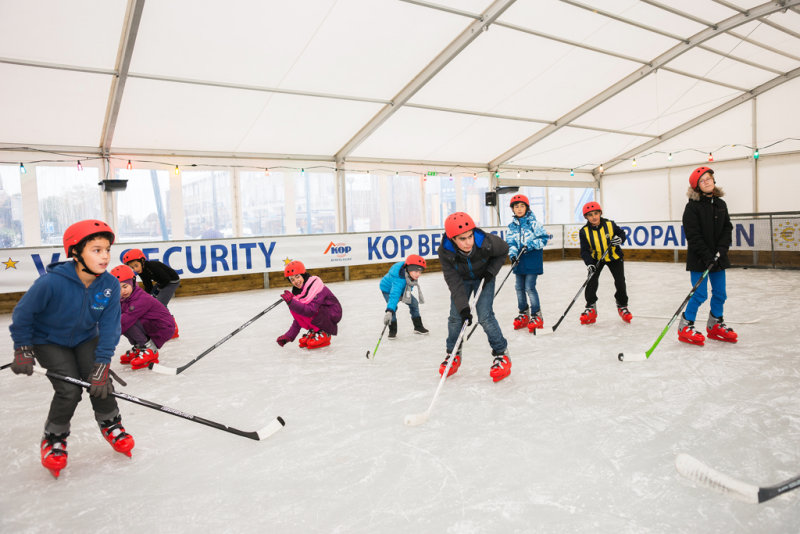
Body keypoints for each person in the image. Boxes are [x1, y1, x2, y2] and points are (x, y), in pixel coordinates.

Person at [8, 220, 134, 478]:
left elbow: (110, 328)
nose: (105, 256)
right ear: (76, 252)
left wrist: (102, 364)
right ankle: (54, 437)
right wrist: (23, 348)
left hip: (86, 338)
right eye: (96, 250)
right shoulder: (51, 283)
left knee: (101, 382)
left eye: (107, 249)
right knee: (69, 390)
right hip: (48, 340)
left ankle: (111, 423)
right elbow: (23, 314)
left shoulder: (109, 285)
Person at [437, 212, 511, 383]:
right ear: (453, 239)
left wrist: (490, 272)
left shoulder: (486, 242)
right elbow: (453, 281)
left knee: (485, 316)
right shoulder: (445, 251)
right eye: (462, 239)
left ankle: (502, 354)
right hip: (462, 280)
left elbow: (504, 250)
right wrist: (463, 308)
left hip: (484, 278)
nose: (468, 242)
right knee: (456, 318)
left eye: (470, 236)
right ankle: (453, 354)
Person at [678, 166, 737, 346]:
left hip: (718, 257)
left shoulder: (721, 204)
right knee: (700, 294)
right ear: (697, 186)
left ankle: (715, 323)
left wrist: (721, 249)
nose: (707, 182)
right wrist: (707, 256)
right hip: (699, 259)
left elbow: (727, 228)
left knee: (720, 293)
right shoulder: (692, 207)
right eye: (702, 181)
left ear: (713, 180)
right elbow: (693, 236)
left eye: (709, 178)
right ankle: (685, 325)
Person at [111, 265, 175, 369]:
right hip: (150, 325)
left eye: (125, 286)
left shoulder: (140, 298)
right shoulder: (124, 298)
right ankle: (140, 347)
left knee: (126, 322)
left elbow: (124, 322)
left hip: (163, 328)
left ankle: (150, 349)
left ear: (132, 282)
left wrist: (105, 338)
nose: (122, 291)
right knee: (121, 320)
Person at [579, 201, 632, 324]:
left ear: (600, 213)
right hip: (597, 258)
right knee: (591, 281)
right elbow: (585, 251)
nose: (594, 217)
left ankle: (622, 305)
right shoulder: (584, 231)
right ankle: (590, 306)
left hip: (614, 257)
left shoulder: (610, 224)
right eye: (590, 215)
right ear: (586, 217)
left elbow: (621, 233)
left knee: (620, 281)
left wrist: (620, 239)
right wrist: (589, 263)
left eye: (596, 213)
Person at [504, 194, 550, 332]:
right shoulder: (512, 226)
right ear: (512, 209)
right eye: (516, 206)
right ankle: (523, 313)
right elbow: (510, 242)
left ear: (527, 207)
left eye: (522, 206)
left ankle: (537, 314)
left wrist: (529, 245)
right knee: (519, 287)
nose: (519, 209)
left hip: (532, 259)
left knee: (529, 287)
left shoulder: (534, 223)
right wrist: (512, 255)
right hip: (519, 261)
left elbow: (543, 239)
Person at [275, 261, 342, 350]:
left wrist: (292, 302)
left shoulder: (315, 286)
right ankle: (315, 330)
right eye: (292, 279)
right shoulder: (299, 293)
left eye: (297, 277)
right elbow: (298, 317)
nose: (296, 281)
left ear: (303, 275)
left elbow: (311, 311)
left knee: (296, 305)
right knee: (294, 308)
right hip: (320, 315)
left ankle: (325, 333)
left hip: (331, 313)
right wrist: (289, 336)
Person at [123, 248, 180, 337]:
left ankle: (172, 328)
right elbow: (148, 285)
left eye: (136, 265)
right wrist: (146, 297)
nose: (135, 269)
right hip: (162, 282)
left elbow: (166, 279)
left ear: (142, 261)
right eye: (132, 267)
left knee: (160, 304)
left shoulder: (153, 266)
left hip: (171, 282)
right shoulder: (142, 271)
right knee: (151, 301)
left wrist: (158, 290)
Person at [379, 254, 429, 339]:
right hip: (387, 290)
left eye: (420, 272)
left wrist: (404, 296)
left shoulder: (410, 274)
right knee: (393, 308)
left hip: (403, 290)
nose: (418, 274)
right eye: (416, 271)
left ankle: (418, 327)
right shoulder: (399, 279)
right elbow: (394, 295)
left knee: (414, 303)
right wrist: (389, 310)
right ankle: (392, 330)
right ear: (409, 269)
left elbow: (409, 287)